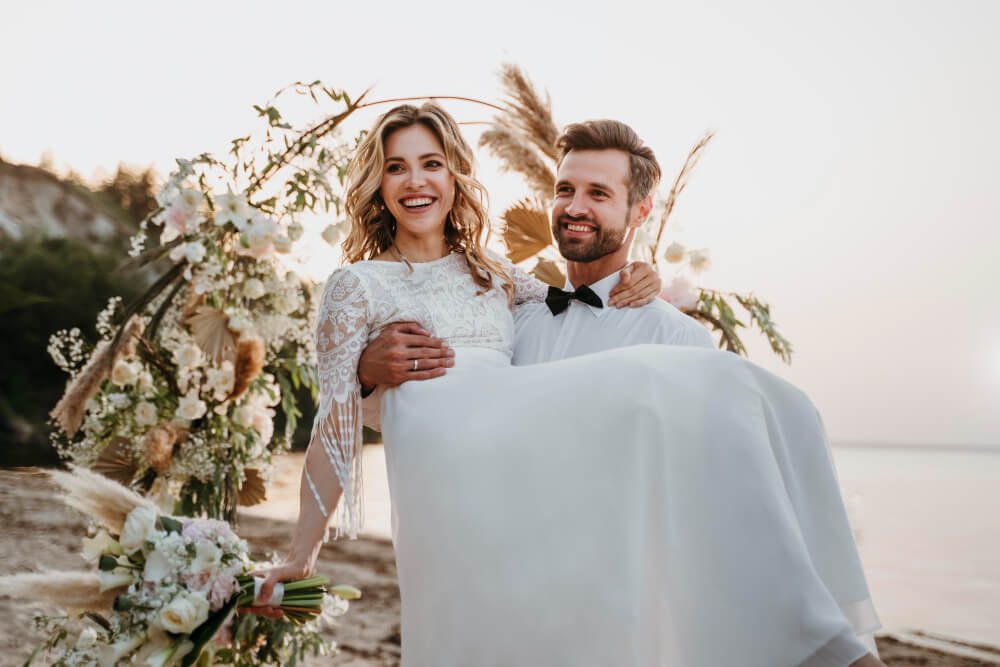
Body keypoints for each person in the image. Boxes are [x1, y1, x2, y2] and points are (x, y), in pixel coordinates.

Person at [259, 103, 884, 666]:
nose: (416, 181)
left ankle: (816, 628)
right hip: (442, 503)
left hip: (521, 501)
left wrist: (645, 273)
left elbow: (582, 298)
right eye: (397, 168)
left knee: (686, 384)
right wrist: (301, 552)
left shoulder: (497, 278)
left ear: (456, 177)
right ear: (378, 183)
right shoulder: (354, 287)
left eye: (433, 163)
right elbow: (336, 424)